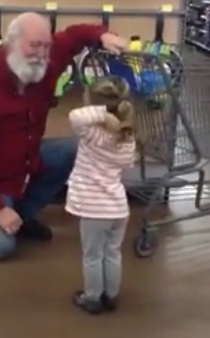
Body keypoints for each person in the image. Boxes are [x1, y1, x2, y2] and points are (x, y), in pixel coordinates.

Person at [0, 12, 128, 261]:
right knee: (0, 247)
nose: (42, 53)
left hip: (21, 161)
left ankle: (20, 215)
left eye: (46, 46)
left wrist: (102, 35)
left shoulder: (46, 63)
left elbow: (73, 35)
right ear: (11, 42)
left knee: (76, 149)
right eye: (34, 45)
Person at [65, 76, 136, 314]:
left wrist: (103, 113)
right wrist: (114, 113)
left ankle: (92, 298)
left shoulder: (92, 134)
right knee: (112, 252)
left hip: (94, 209)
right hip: (118, 208)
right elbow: (126, 166)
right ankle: (111, 296)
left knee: (92, 256)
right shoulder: (127, 139)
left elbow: (75, 116)